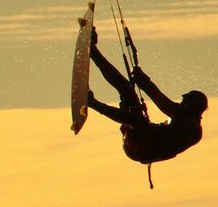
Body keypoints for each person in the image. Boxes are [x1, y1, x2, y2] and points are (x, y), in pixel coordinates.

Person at [88, 28, 208, 164]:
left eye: (185, 100)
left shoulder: (192, 128)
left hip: (140, 148)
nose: (181, 102)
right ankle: (93, 51)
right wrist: (142, 80)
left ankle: (92, 103)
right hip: (143, 139)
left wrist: (143, 81)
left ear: (194, 106)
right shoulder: (184, 114)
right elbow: (161, 102)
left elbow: (161, 101)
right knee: (127, 91)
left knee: (137, 120)